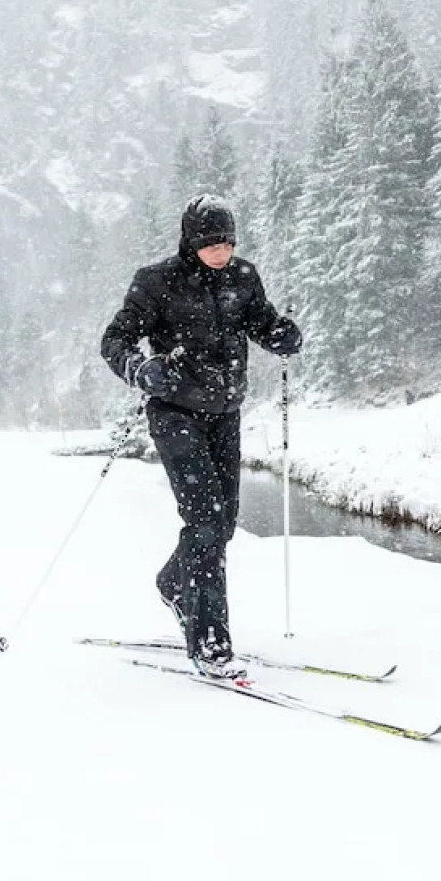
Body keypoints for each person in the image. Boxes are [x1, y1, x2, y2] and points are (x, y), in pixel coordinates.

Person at [100, 194, 302, 679]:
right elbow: (115, 341)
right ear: (190, 242)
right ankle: (209, 640)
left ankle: (174, 582)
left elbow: (259, 322)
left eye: (227, 242)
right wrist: (141, 367)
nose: (221, 252)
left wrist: (280, 334)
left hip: (226, 414)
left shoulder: (243, 277)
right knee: (206, 523)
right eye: (211, 243)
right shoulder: (156, 282)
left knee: (222, 524)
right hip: (175, 414)